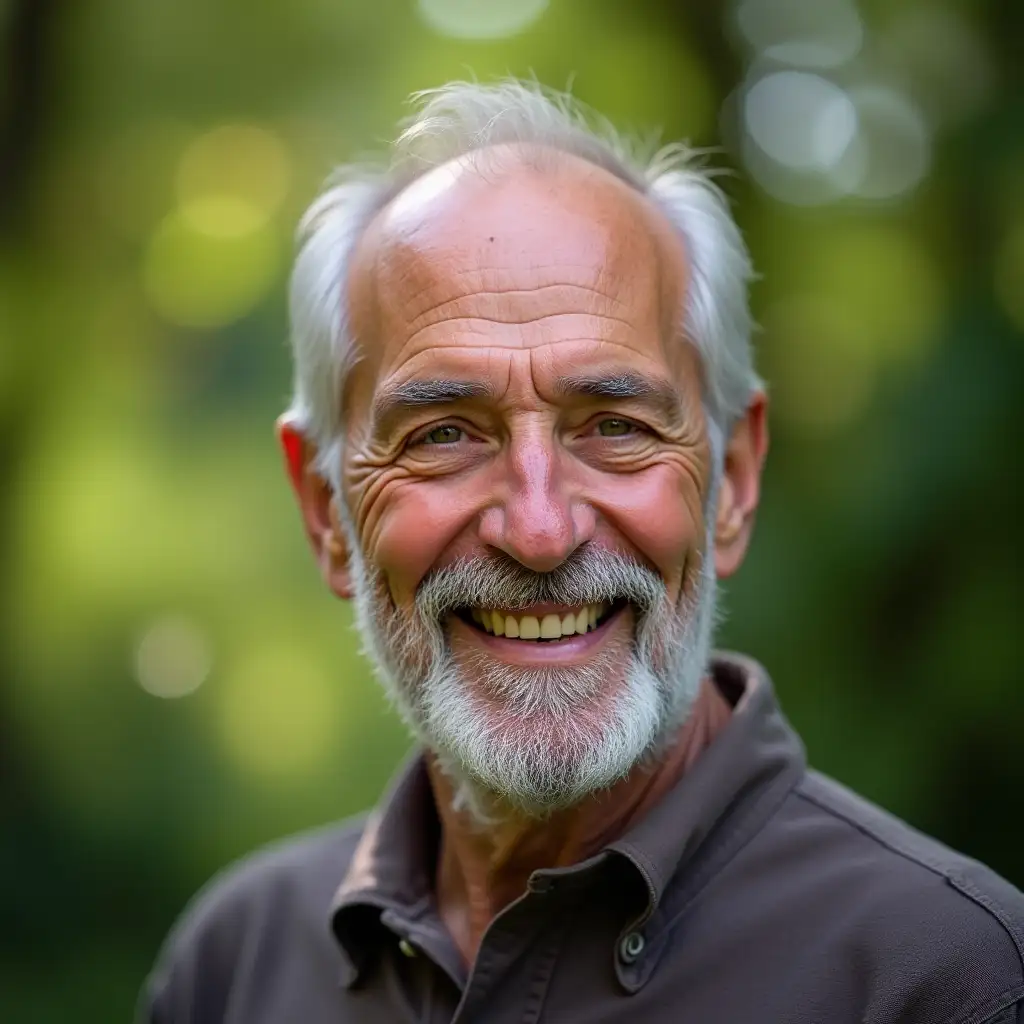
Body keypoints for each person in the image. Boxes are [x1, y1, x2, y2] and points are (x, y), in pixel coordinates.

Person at [139, 81, 1024, 1024]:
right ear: (326, 513)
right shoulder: (234, 967)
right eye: (443, 434)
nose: (539, 530)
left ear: (732, 481)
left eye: (614, 424)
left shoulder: (947, 983)